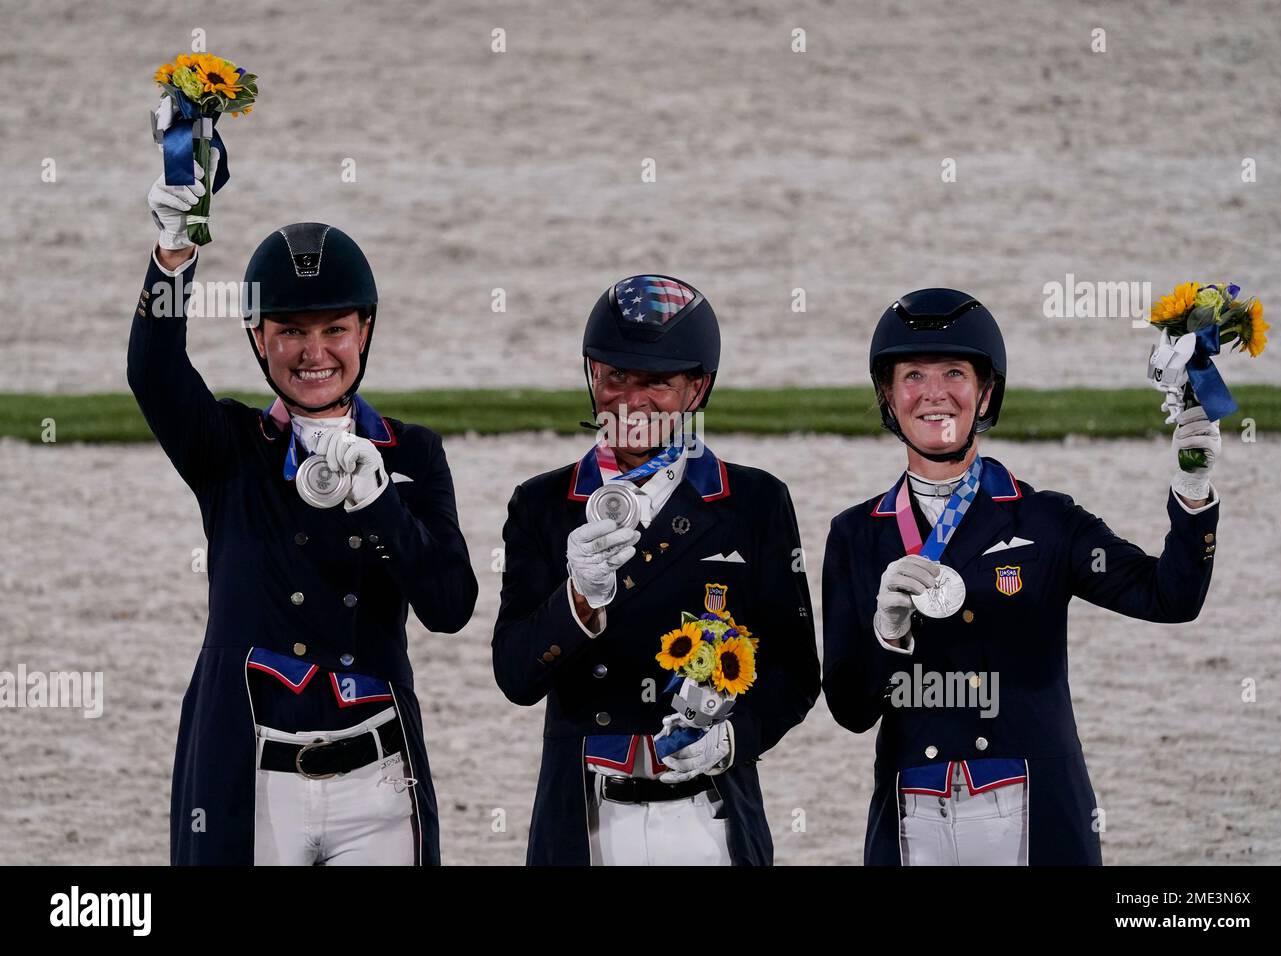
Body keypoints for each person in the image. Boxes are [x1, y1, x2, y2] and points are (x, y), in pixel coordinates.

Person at [130, 150, 477, 865]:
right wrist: (175, 248)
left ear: (366, 331)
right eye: (290, 331)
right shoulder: (227, 447)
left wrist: (383, 505)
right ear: (258, 338)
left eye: (334, 330)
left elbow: (449, 605)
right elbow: (153, 371)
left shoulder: (413, 453)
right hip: (251, 776)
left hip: (378, 779)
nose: (313, 352)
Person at [821, 288, 1220, 865]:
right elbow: (851, 711)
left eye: (954, 373)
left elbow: (1171, 597)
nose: (934, 394)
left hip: (1037, 807)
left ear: (985, 392)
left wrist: (1193, 491)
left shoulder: (1048, 520)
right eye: (913, 376)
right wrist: (886, 633)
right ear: (888, 393)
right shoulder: (855, 533)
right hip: (912, 815)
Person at [492, 275, 821, 865]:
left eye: (657, 382)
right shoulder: (540, 504)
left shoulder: (756, 503)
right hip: (583, 813)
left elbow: (796, 673)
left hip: (712, 816)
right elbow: (516, 676)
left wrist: (733, 739)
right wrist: (578, 603)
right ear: (592, 373)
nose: (631, 400)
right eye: (615, 376)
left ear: (697, 388)